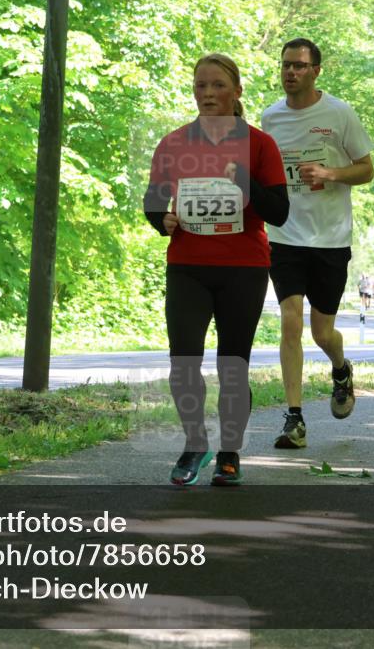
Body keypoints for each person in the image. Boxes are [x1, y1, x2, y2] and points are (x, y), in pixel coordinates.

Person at [144, 53, 289, 485]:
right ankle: (194, 445)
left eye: (217, 86)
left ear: (237, 92)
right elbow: (154, 199)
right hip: (188, 264)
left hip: (243, 267)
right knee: (183, 362)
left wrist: (244, 182)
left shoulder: (260, 145)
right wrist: (160, 219)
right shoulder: (174, 143)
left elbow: (279, 211)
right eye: (200, 85)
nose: (207, 94)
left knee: (233, 366)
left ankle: (230, 451)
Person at [260, 37, 374, 448]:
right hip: (285, 234)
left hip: (329, 238)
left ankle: (341, 371)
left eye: (300, 66)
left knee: (322, 332)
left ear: (316, 71)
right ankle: (294, 419)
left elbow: (366, 170)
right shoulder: (269, 118)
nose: (291, 72)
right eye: (286, 65)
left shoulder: (339, 113)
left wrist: (329, 174)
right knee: (290, 320)